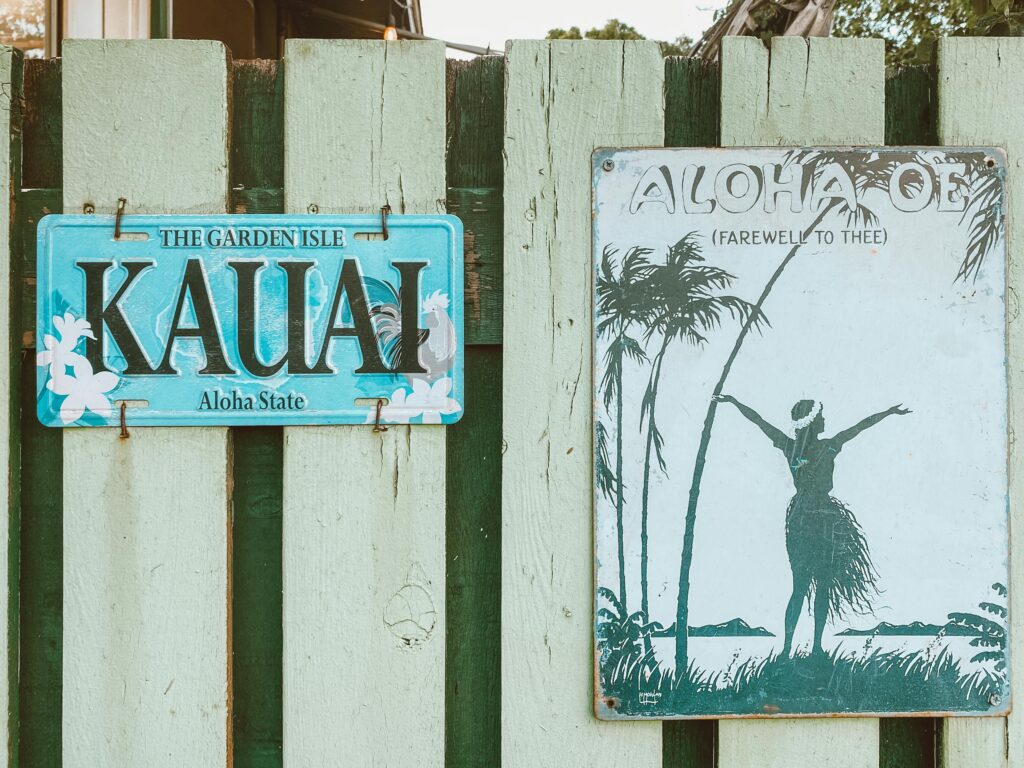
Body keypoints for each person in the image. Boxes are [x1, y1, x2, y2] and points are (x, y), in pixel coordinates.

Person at [712, 394, 910, 657]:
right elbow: (860, 427)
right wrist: (888, 412)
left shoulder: (790, 446)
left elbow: (759, 422)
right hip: (824, 520)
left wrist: (735, 403)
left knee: (799, 587)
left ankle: (787, 650)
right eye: (821, 416)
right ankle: (815, 648)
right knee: (823, 584)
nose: (825, 419)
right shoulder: (829, 446)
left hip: (800, 520)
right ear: (813, 422)